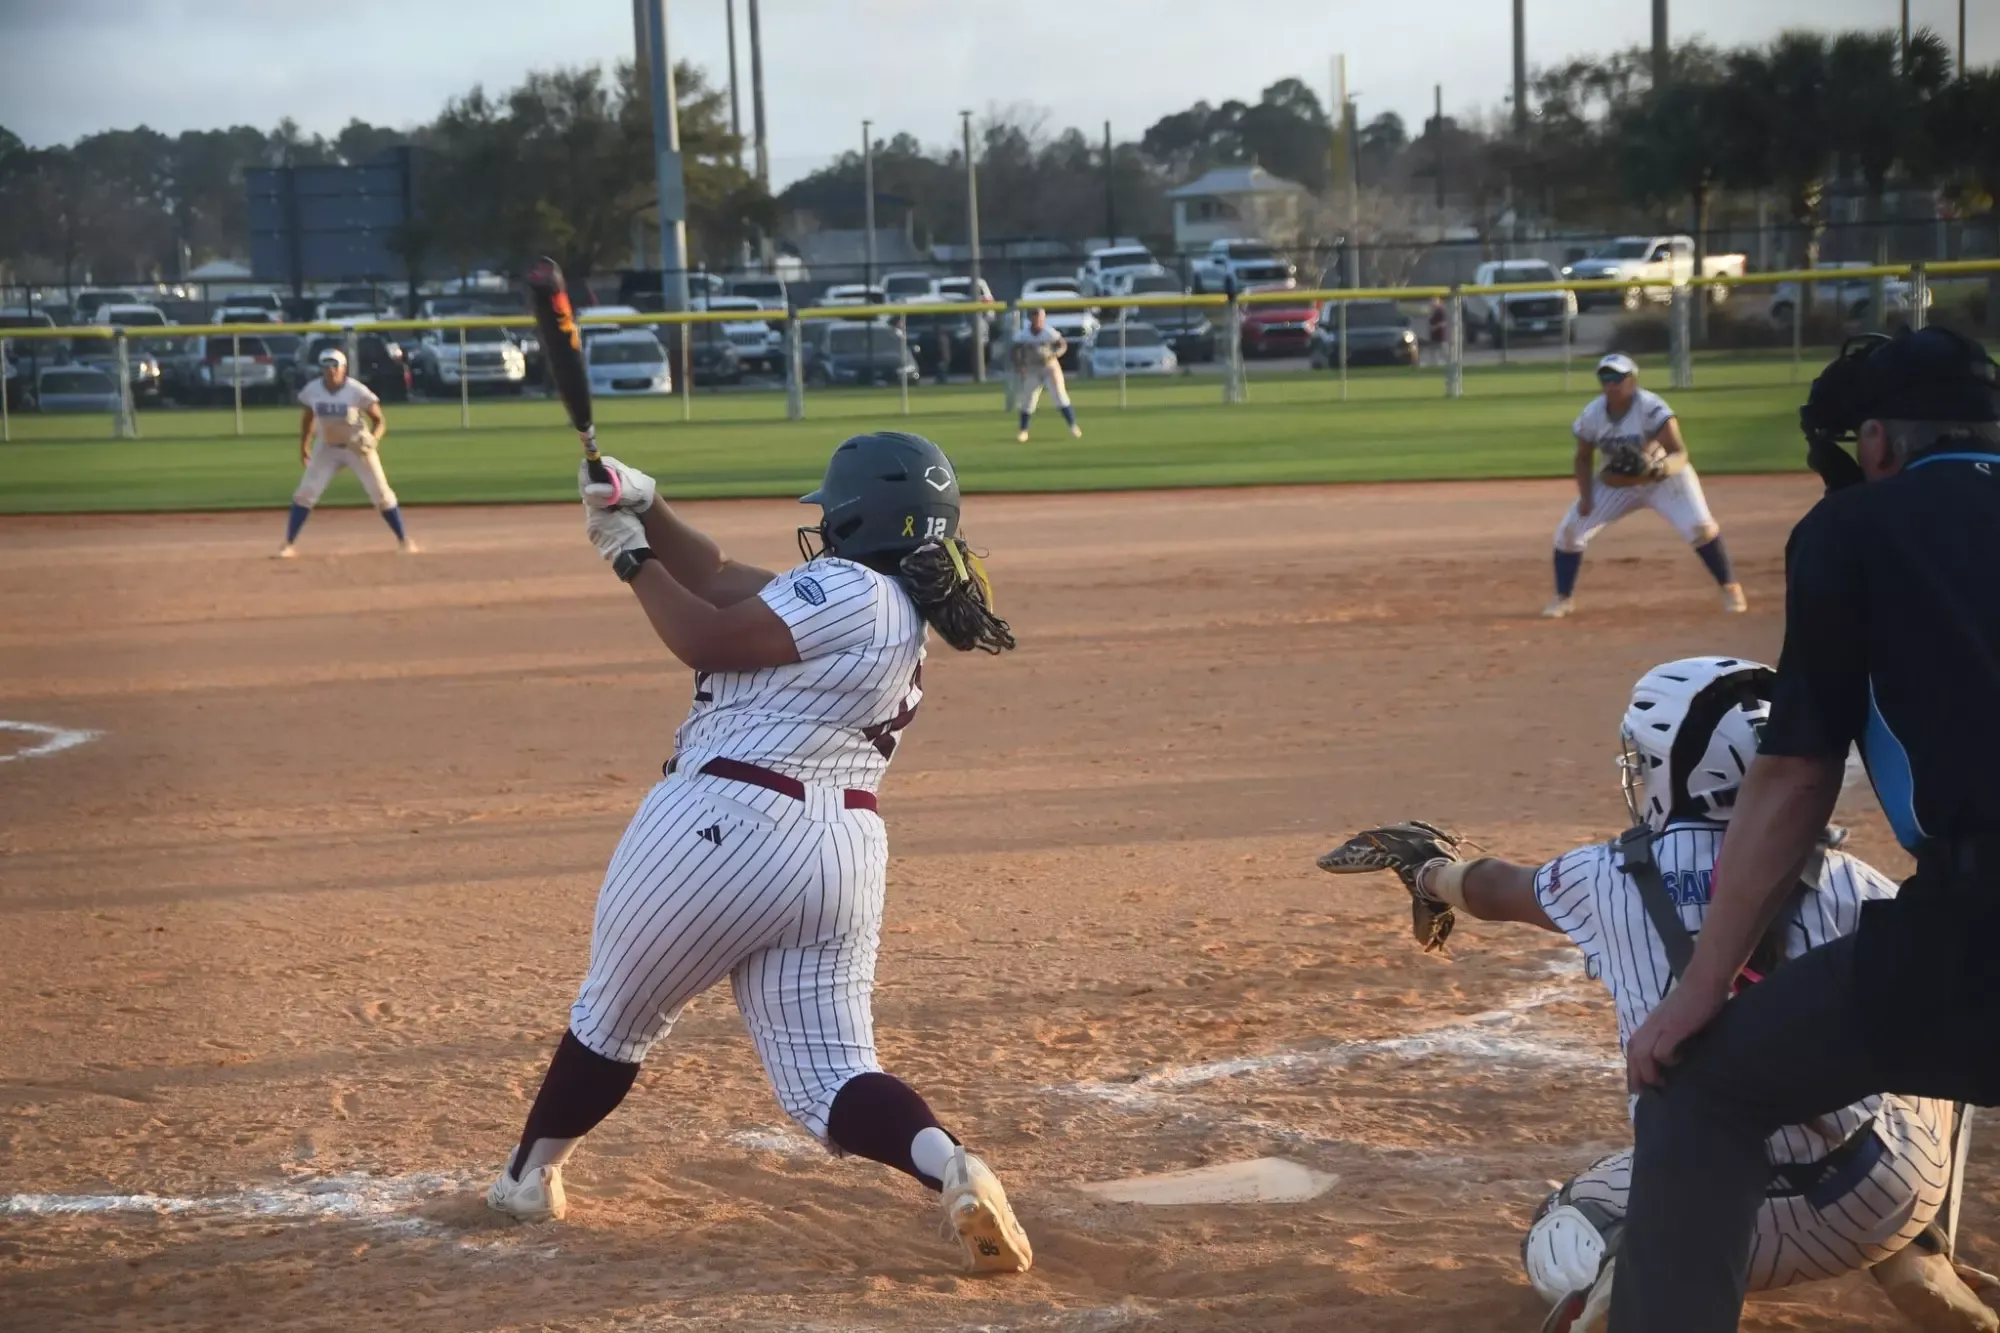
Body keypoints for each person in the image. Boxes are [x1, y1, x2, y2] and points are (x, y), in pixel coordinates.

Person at [484, 432, 1034, 1276]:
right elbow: (714, 574)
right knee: (835, 1074)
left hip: (722, 825)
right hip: (841, 854)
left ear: (855, 515)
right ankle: (950, 1163)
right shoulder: (894, 606)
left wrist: (630, 559)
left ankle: (530, 1175)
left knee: (615, 1018)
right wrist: (645, 501)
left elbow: (702, 631)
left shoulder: (846, 586)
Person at [1316, 656, 1978, 1333]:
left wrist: (1429, 871)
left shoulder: (1602, 875)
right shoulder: (1850, 877)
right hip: (1892, 1187)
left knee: (1561, 1222)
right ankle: (1923, 1253)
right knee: (1928, 992)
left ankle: (1620, 1268)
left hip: (1729, 1228)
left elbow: (1494, 886)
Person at [1612, 327, 2000, 1332]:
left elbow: (1789, 776)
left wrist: (1698, 989)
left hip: (1979, 926)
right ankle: (1925, 1250)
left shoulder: (1855, 530)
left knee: (1701, 1089)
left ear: (1875, 442)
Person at [1543, 353, 1743, 619]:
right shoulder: (1593, 414)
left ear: (1632, 380)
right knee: (1569, 533)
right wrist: (1585, 497)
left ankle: (1730, 588)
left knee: (1701, 528)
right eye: (1605, 378)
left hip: (1663, 479)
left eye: (1616, 378)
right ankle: (1563, 598)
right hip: (1617, 483)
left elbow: (1679, 453)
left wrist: (1658, 468)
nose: (1610, 384)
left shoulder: (1651, 408)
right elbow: (1582, 456)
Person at [279, 348, 414, 558]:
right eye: (326, 366)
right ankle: (288, 544)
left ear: (343, 368)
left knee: (381, 494)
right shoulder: (313, 390)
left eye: (335, 366)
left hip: (356, 448)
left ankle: (404, 540)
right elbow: (307, 419)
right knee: (305, 493)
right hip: (327, 447)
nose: (330, 370)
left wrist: (373, 439)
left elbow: (380, 420)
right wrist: (304, 446)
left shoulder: (356, 391)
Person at [1010, 308, 1080, 443]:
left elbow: (1062, 344)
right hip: (1032, 367)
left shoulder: (1048, 331)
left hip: (1049, 367)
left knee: (1059, 396)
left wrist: (1055, 354)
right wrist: (1019, 365)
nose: (1038, 321)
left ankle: (1073, 426)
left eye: (1041, 318)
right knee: (1028, 400)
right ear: (1031, 318)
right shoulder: (1024, 334)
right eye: (1036, 318)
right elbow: (1014, 350)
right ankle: (1023, 431)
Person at [1426, 295, 1448, 366]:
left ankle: (1450, 362)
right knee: (1433, 352)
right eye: (1432, 300)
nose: (1432, 302)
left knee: (1444, 351)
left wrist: (1435, 327)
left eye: (1435, 300)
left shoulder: (1441, 310)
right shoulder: (1432, 311)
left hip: (1441, 335)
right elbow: (1430, 321)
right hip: (1433, 336)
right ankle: (1435, 364)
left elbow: (1444, 323)